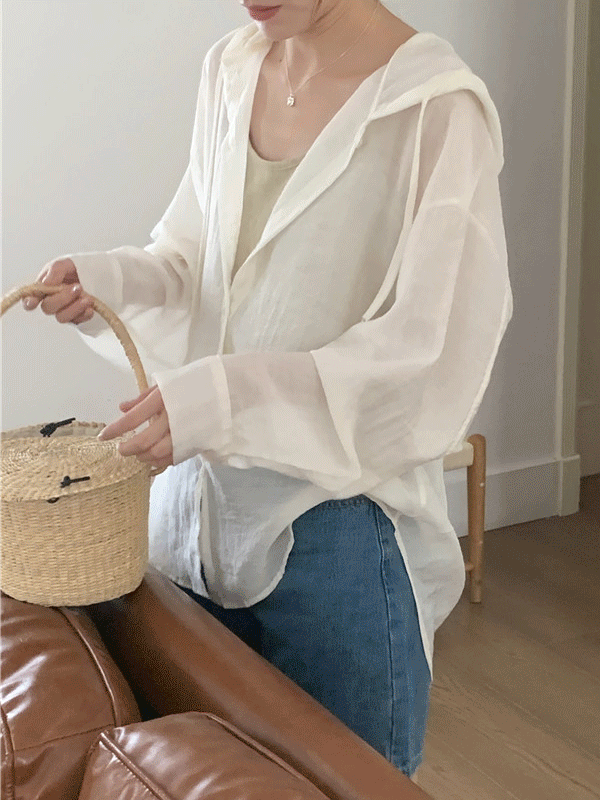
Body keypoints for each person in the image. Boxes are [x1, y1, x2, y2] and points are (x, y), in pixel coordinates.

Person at [23, 0, 513, 781]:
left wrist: (226, 398)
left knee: (350, 785)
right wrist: (105, 282)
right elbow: (193, 264)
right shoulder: (233, 67)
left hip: (333, 527)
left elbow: (429, 353)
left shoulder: (436, 108)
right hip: (192, 514)